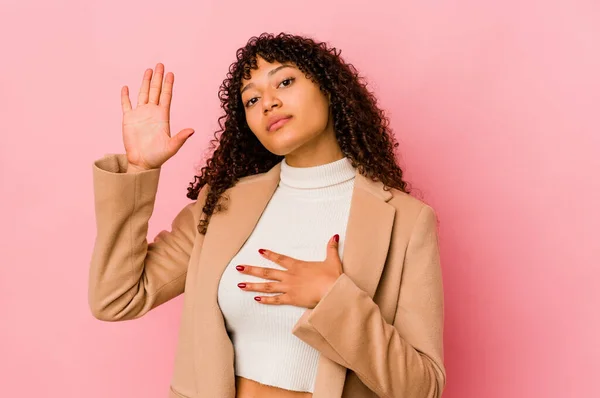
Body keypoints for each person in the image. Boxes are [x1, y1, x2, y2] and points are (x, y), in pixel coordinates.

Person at [88, 32, 446, 398]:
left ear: (328, 89)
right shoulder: (222, 205)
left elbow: (423, 388)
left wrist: (333, 298)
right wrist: (137, 169)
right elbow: (117, 297)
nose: (268, 104)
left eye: (285, 82)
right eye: (252, 99)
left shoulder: (406, 220)